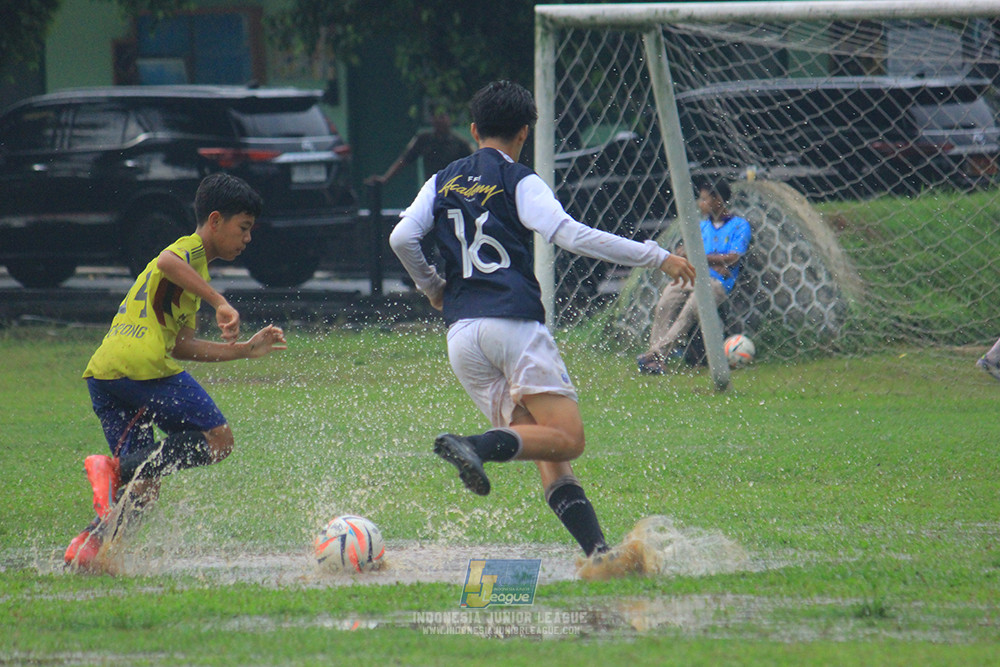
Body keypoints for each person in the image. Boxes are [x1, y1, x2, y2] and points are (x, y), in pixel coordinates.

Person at [388, 80, 696, 580]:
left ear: (474, 130)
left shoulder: (442, 179)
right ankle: (475, 446)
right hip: (512, 325)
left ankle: (600, 555)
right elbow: (569, 234)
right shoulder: (519, 179)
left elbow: (402, 236)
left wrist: (432, 287)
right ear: (524, 133)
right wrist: (656, 255)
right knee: (567, 438)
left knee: (547, 451)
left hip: (461, 336)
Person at [64, 173, 288, 570]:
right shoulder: (188, 252)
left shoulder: (193, 275)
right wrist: (220, 302)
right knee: (219, 440)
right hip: (141, 366)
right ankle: (113, 469)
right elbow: (166, 260)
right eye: (243, 227)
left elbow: (182, 345)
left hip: (107, 373)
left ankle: (89, 548)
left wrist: (243, 351)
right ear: (215, 220)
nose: (248, 238)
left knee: (145, 491)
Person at [636, 180, 752, 374]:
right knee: (666, 302)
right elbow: (683, 252)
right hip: (692, 277)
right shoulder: (701, 226)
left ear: (718, 200)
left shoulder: (739, 225)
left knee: (690, 310)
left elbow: (732, 258)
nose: (700, 203)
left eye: (704, 199)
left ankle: (655, 355)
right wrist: (712, 259)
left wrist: (698, 256)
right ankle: (655, 359)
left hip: (717, 282)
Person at [367, 108, 473, 186]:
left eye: (442, 117)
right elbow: (404, 159)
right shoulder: (424, 139)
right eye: (435, 117)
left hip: (453, 189)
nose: (439, 120)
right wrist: (385, 178)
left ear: (449, 119)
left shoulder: (460, 143)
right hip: (432, 188)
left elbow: (475, 163)